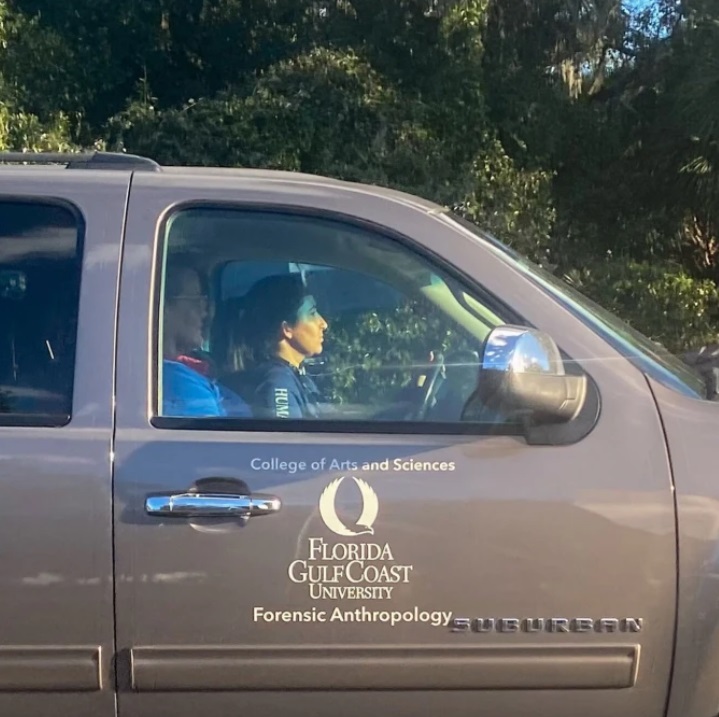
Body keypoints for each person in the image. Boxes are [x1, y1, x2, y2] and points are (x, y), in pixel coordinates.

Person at [228, 273, 328, 419]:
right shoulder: (279, 383)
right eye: (312, 313)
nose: (323, 323)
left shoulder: (291, 375)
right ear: (287, 329)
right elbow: (288, 440)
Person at [162, 259, 251, 417]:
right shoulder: (179, 385)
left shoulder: (195, 368)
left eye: (205, 302)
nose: (206, 313)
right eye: (196, 301)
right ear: (164, 307)